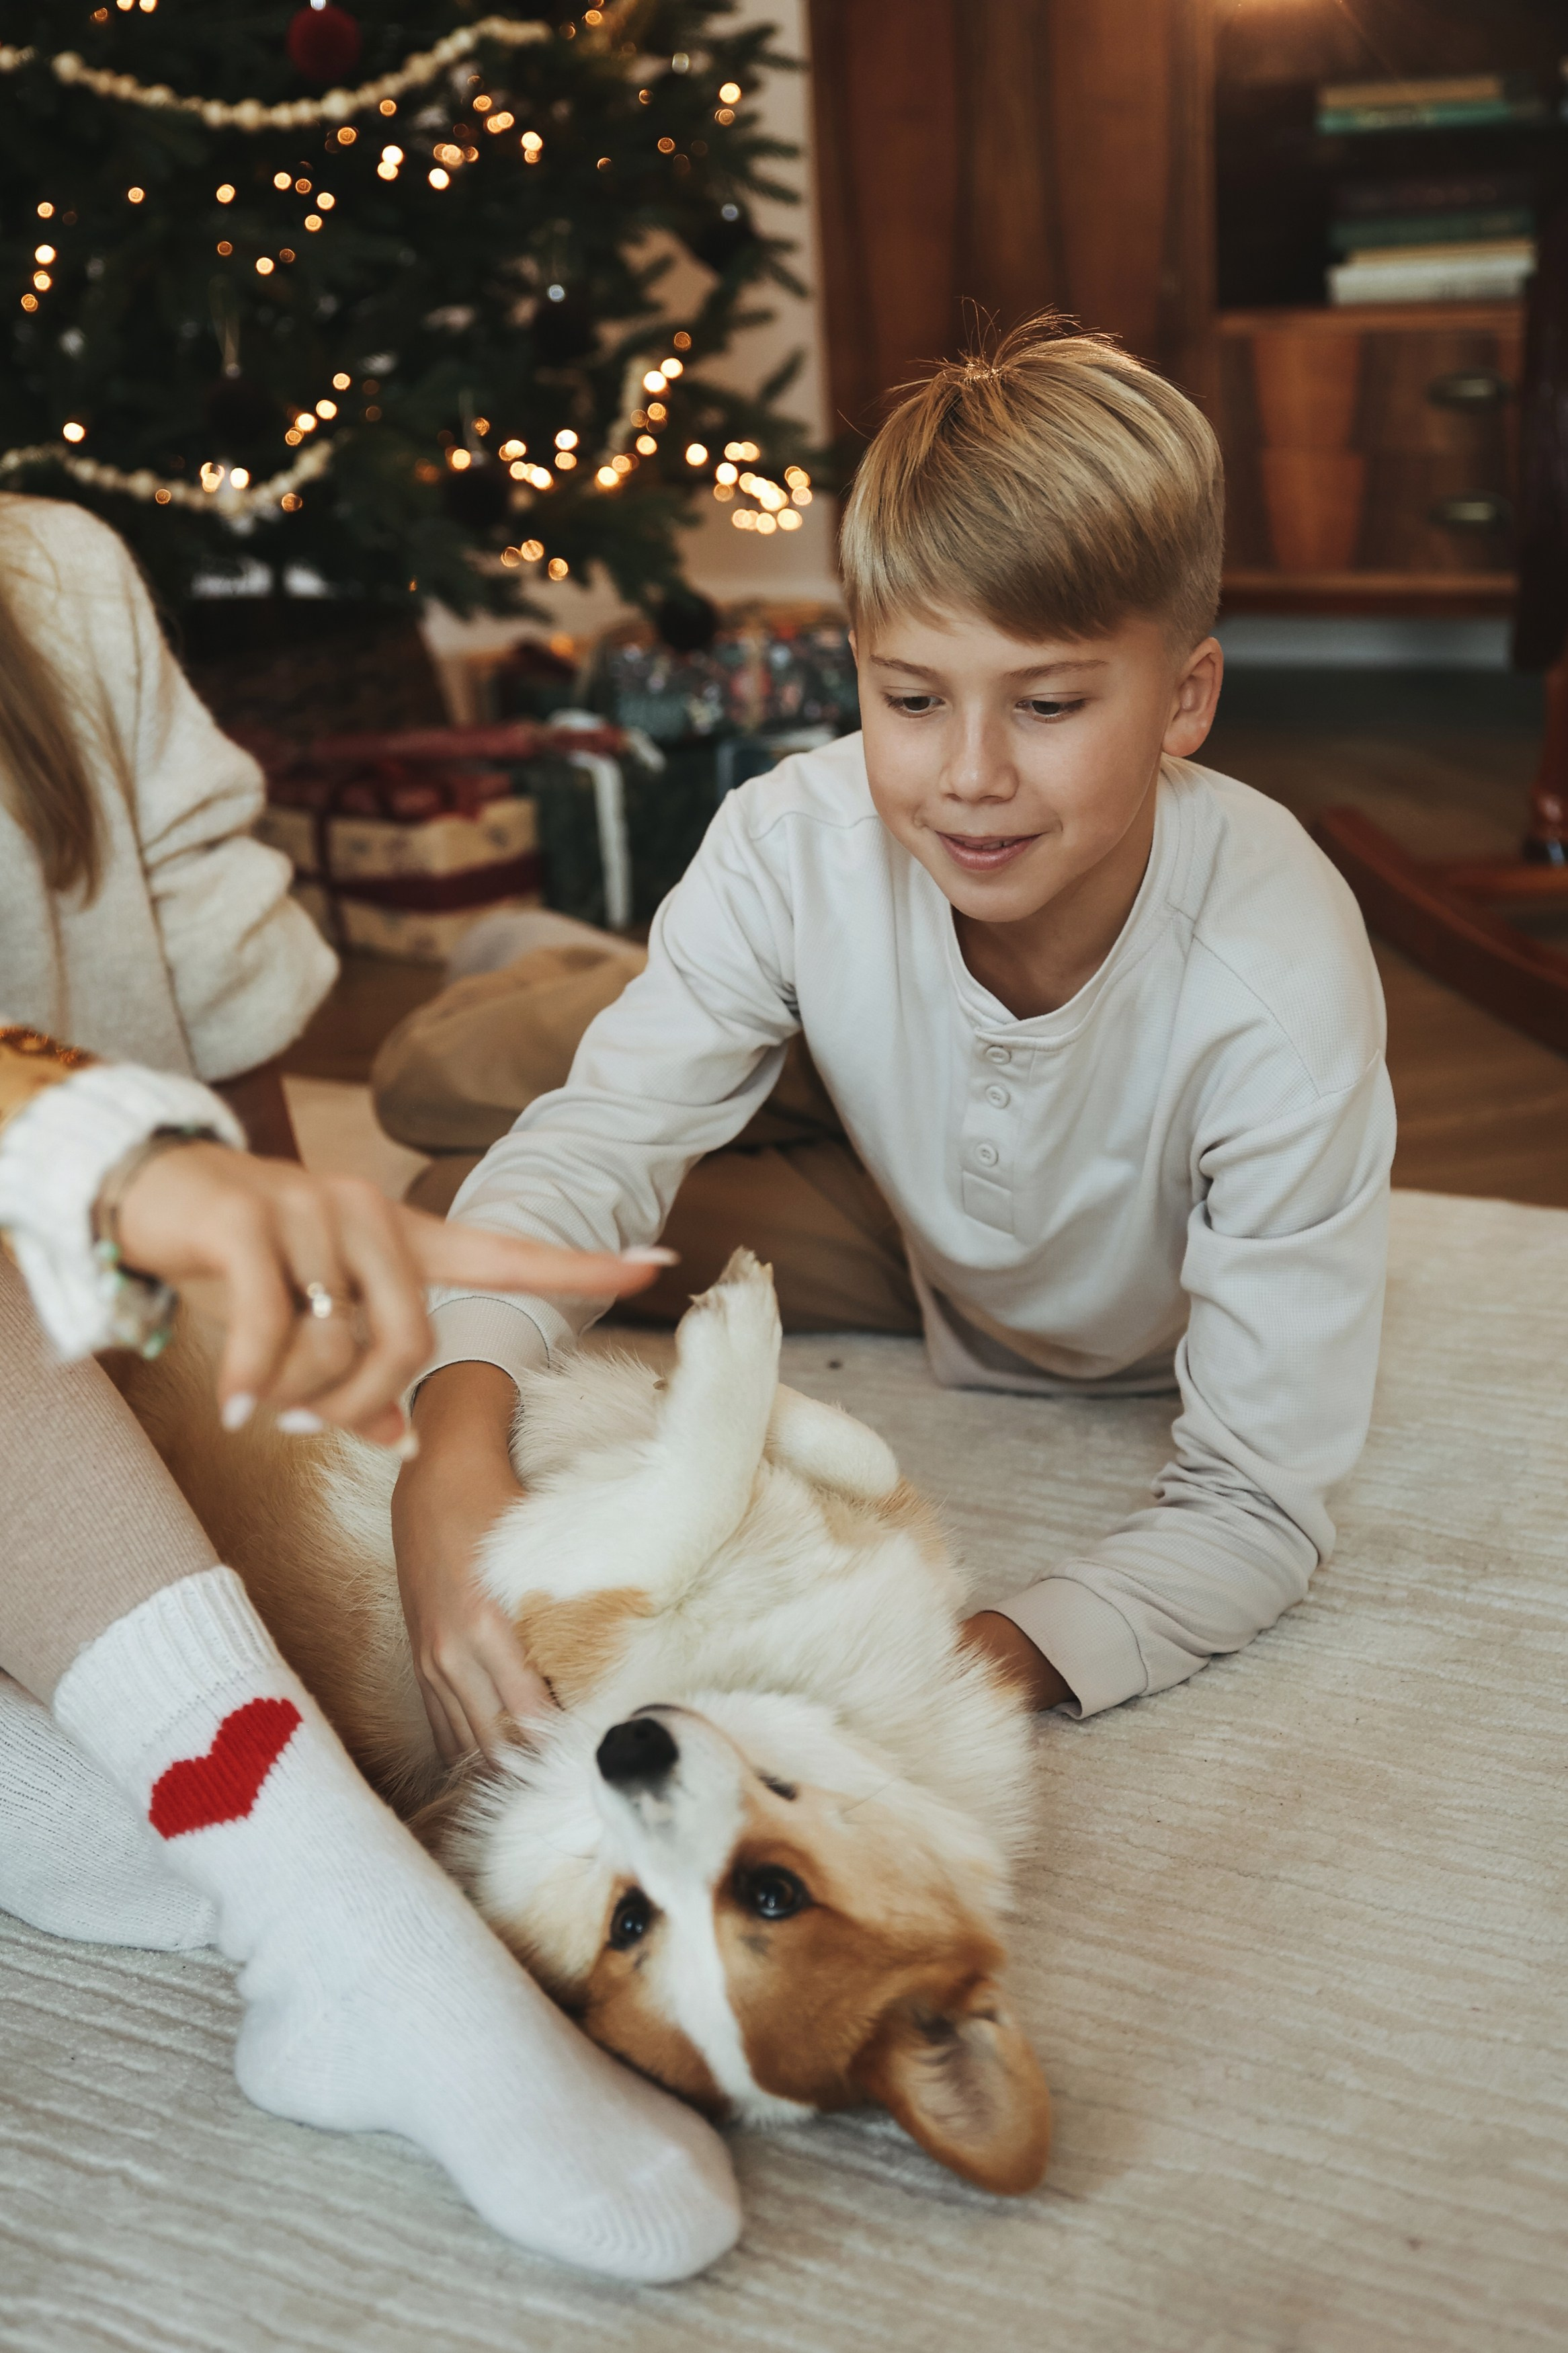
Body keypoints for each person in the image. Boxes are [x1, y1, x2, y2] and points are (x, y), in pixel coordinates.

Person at [385, 317, 1395, 1754]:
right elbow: (604, 1135)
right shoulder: (798, 830)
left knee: (442, 1207)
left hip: (932, 1236)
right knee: (439, 1108)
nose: (972, 776)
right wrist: (446, 1462)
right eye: (911, 700)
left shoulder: (1280, 984)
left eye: (1045, 704)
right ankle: (586, 981)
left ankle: (636, 999)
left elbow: (1254, 1509)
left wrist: (926, 1675)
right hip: (882, 1115)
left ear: (1186, 699)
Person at [0, 495, 737, 2281]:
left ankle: (252, 1837)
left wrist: (320, 1340)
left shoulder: (54, 577)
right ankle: (331, 1907)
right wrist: (102, 1159)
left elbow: (231, 1016)